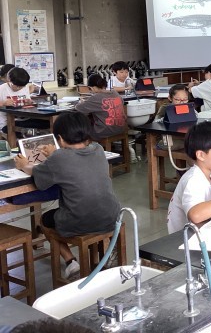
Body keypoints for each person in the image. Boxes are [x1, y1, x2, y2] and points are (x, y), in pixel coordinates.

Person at [14, 111, 120, 279]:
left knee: (44, 221)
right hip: (112, 216)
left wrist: (24, 165)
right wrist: (54, 154)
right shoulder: (98, 149)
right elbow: (73, 161)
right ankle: (101, 258)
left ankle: (71, 262)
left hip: (79, 220)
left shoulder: (59, 157)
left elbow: (39, 178)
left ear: (60, 139)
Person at [75, 73, 127, 140]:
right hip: (121, 128)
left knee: (81, 128)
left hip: (104, 132)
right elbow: (122, 102)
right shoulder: (115, 93)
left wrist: (81, 102)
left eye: (90, 89)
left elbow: (79, 108)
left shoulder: (96, 97)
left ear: (92, 87)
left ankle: (86, 146)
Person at [0, 67, 43, 133]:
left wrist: (29, 102)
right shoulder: (1, 89)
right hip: (7, 123)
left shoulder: (25, 87)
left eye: (21, 86)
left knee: (48, 123)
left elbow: (27, 104)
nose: (19, 88)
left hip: (24, 119)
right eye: (16, 86)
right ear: (9, 80)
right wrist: (3, 103)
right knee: (21, 130)